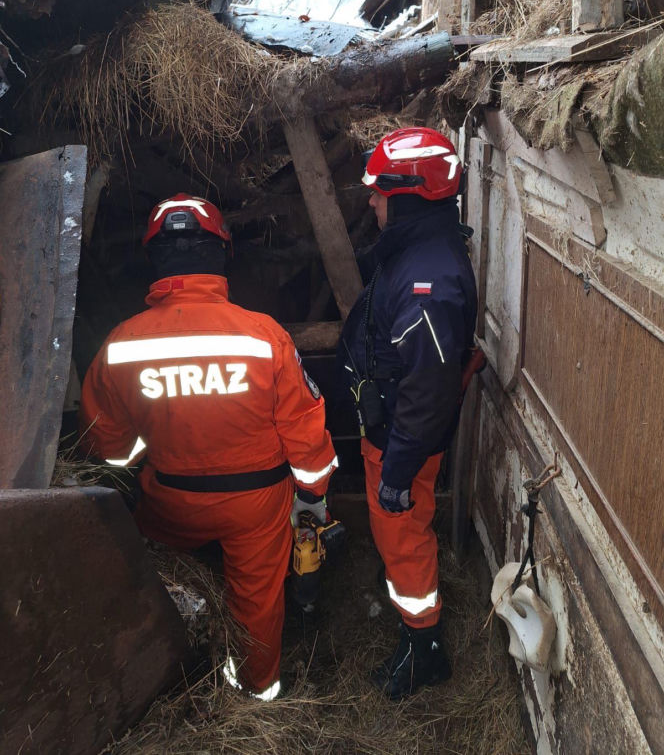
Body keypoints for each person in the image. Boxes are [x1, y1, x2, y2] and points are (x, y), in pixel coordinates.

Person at [79, 193, 338, 701]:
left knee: (156, 582)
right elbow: (306, 432)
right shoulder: (264, 337)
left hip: (168, 503)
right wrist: (313, 496)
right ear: (221, 255)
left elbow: (107, 448)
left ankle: (171, 682)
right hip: (257, 506)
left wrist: (146, 469)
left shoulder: (120, 346)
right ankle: (255, 695)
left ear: (154, 260)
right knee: (258, 605)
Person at [339, 127, 478, 699]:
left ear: (407, 196)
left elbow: (424, 392)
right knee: (397, 534)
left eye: (378, 191)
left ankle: (425, 649)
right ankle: (406, 597)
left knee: (402, 535)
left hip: (401, 442)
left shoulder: (427, 283)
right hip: (395, 432)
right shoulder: (419, 252)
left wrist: (396, 473)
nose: (371, 201)